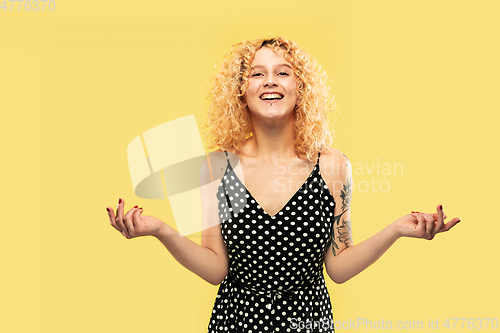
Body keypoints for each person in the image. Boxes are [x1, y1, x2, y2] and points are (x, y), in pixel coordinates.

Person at [105, 37, 461, 333]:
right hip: (236, 322)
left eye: (283, 72)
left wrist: (396, 230)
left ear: (299, 88)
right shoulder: (216, 167)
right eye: (257, 73)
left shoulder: (333, 166)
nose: (270, 80)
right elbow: (216, 269)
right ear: (240, 93)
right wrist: (161, 230)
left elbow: (337, 267)